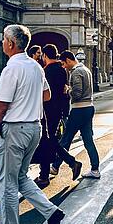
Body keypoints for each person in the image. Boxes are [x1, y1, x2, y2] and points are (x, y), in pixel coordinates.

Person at [0, 24, 65, 224]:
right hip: (34, 128)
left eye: (4, 39)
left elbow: (0, 108)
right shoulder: (35, 66)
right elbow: (47, 94)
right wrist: (28, 100)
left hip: (15, 130)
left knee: (6, 184)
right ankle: (51, 212)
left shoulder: (11, 68)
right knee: (21, 177)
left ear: (11, 44)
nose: (2, 43)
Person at [50, 50, 101, 179]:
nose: (64, 66)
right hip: (89, 107)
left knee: (66, 139)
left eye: (63, 63)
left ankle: (55, 166)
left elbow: (77, 94)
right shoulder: (85, 69)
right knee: (88, 140)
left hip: (79, 109)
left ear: (68, 60)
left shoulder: (76, 72)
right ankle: (95, 169)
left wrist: (68, 90)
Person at [34, 44, 70, 188]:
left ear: (45, 56)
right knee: (50, 140)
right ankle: (69, 163)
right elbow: (63, 91)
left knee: (46, 141)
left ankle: (44, 175)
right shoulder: (62, 71)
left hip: (46, 111)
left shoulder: (45, 71)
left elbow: (43, 93)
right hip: (58, 110)